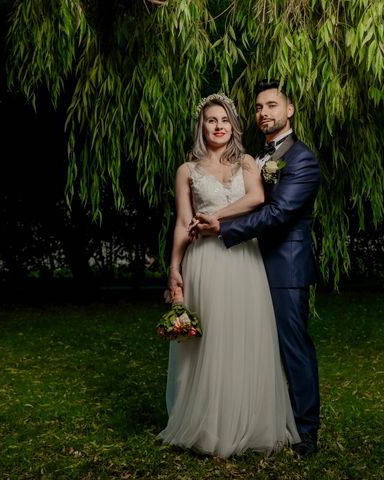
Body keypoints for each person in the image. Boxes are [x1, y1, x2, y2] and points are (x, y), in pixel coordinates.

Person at [158, 93, 300, 458]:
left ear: (233, 125)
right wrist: (174, 269)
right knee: (209, 341)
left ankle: (249, 421)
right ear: (201, 127)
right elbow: (181, 222)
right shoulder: (186, 171)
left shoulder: (249, 163)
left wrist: (216, 219)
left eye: (224, 119)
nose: (219, 126)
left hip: (242, 259)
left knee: (244, 335)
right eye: (211, 120)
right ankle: (208, 425)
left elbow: (256, 199)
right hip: (203, 260)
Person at [193, 80, 321, 456]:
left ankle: (305, 431)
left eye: (272, 105)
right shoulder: (258, 158)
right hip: (250, 266)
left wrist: (223, 226)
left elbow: (279, 213)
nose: (264, 112)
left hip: (285, 268)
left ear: (290, 109)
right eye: (259, 107)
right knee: (253, 347)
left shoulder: (301, 159)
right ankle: (255, 419)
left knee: (292, 347)